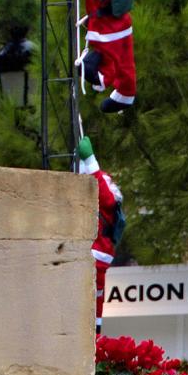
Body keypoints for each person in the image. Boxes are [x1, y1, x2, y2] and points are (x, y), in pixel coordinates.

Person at [77, 136, 125, 335]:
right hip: (96, 254)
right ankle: (94, 330)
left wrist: (90, 160)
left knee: (93, 296)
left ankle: (94, 333)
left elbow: (102, 192)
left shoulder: (109, 200)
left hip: (97, 254)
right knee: (93, 297)